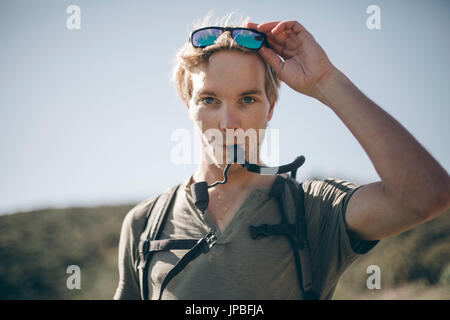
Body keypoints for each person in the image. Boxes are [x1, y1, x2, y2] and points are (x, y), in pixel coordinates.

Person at [113, 14, 450, 300]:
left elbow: (426, 195)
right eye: (210, 100)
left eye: (247, 100)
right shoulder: (144, 224)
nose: (229, 123)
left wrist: (325, 81)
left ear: (270, 107)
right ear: (189, 104)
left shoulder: (314, 208)